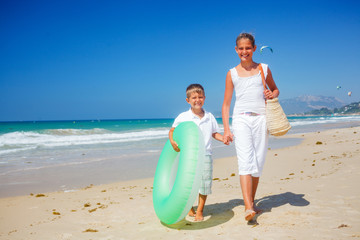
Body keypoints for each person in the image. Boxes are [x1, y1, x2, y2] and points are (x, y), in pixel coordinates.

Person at [221, 33, 279, 221]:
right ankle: (248, 208)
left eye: (248, 48)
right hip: (241, 120)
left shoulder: (264, 68)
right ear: (236, 50)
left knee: (258, 163)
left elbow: (275, 89)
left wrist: (272, 94)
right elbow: (226, 104)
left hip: (261, 119)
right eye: (241, 48)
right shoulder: (232, 73)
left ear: (254, 49)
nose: (244, 51)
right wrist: (227, 129)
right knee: (245, 161)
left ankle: (252, 203)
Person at [169, 83, 227, 221]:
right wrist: (172, 142)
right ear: (187, 100)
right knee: (188, 184)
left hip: (205, 154)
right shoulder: (183, 117)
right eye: (194, 97)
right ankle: (190, 208)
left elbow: (214, 133)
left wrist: (223, 138)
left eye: (200, 97)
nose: (197, 100)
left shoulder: (209, 116)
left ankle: (200, 210)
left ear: (204, 98)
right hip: (188, 156)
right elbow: (172, 131)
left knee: (204, 184)